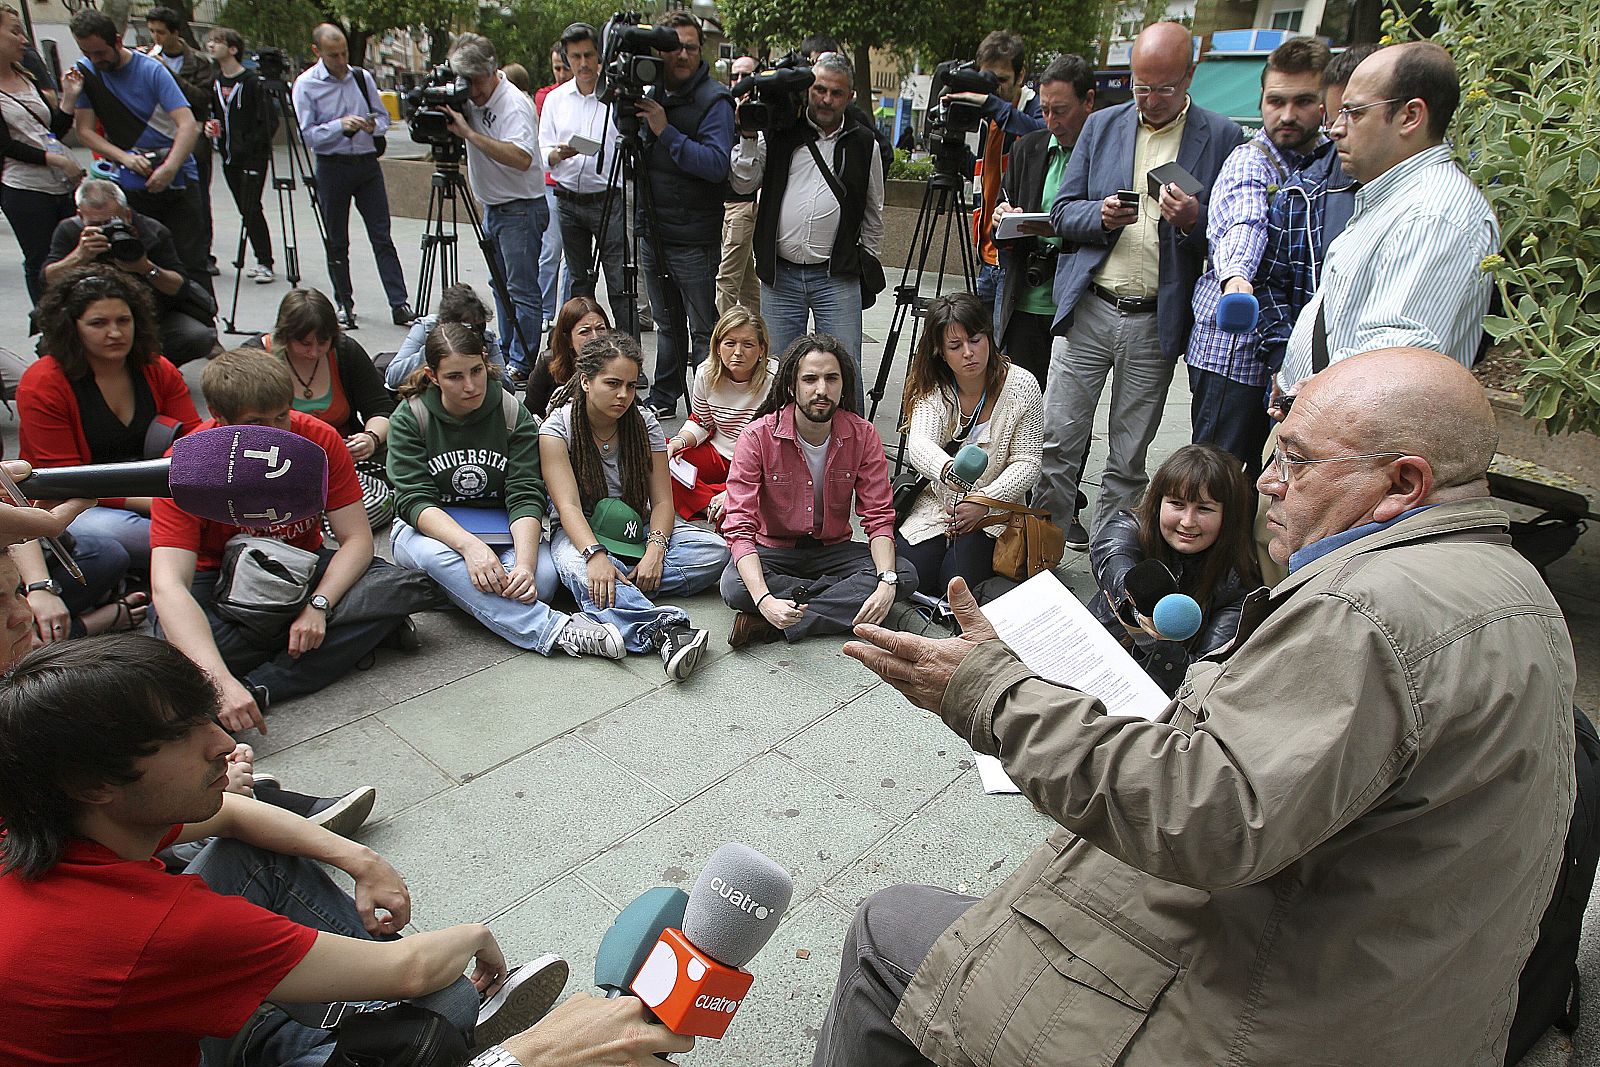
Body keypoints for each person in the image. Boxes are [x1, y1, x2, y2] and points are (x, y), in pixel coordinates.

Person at [825, 348, 1575, 1067]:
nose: (1271, 482)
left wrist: (994, 691)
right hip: (1385, 997)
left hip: (1259, 1019)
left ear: (1403, 482)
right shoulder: (1514, 585)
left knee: (886, 931)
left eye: (1298, 460)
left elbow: (1205, 815)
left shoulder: (1369, 612)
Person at [0, 633, 643, 1066]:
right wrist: (524, 1033)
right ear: (93, 782)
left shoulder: (53, 820)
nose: (222, 744)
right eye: (181, 736)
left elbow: (235, 815)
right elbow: (412, 970)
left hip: (147, 1021)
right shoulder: (155, 929)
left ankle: (333, 1023)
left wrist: (362, 859)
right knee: (445, 1006)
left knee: (262, 861)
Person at [151, 348, 439, 736]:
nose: (276, 432)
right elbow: (168, 585)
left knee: (408, 586)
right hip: (220, 583)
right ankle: (333, 638)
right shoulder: (188, 463)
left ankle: (261, 684)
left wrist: (319, 606)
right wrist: (218, 679)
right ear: (220, 419)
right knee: (172, 657)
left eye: (281, 416)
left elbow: (356, 539)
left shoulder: (318, 440)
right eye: (256, 423)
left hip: (300, 566)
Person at [1034, 21, 1243, 548]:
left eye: (1163, 88)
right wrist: (1100, 216)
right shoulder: (1101, 125)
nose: (1149, 98)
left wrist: (1193, 219)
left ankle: (1112, 557)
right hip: (1090, 308)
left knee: (1129, 456)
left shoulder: (1221, 136)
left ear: (1190, 75)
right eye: (1140, 85)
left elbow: (1235, 231)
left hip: (1155, 318)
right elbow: (1062, 212)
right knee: (1057, 441)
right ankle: (1041, 553)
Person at [1274, 42, 1498, 403]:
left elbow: (1390, 364)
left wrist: (1306, 398)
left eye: (1354, 112)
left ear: (1410, 116)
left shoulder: (1432, 215)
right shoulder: (1395, 198)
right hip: (1330, 423)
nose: (1336, 129)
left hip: (1354, 432)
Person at [388, 322, 625, 659]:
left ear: (486, 361)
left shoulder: (510, 411)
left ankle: (455, 591)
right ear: (432, 376)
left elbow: (525, 493)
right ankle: (557, 630)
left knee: (541, 583)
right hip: (432, 530)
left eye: (476, 371)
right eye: (455, 376)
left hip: (501, 525)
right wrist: (470, 547)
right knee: (435, 558)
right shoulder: (411, 416)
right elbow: (414, 499)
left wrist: (525, 566)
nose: (470, 386)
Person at [539, 333, 729, 681]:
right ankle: (666, 630)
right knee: (579, 566)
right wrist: (595, 556)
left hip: (636, 528)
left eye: (630, 385)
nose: (623, 395)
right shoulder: (557, 429)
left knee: (715, 552)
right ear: (586, 381)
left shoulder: (645, 423)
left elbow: (662, 501)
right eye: (612, 384)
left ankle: (608, 592)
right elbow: (568, 508)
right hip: (581, 535)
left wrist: (655, 550)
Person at [1184, 36, 1329, 474]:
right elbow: (1242, 224)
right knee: (1216, 476)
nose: (1287, 115)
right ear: (1261, 99)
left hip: (1288, 358)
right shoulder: (1251, 161)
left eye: (1303, 101)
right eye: (1276, 101)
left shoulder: (1327, 161)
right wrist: (1237, 281)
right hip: (1232, 352)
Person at [719, 332, 916, 647]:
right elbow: (740, 527)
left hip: (832, 550)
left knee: (902, 575)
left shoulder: (863, 435)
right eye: (810, 379)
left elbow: (878, 517)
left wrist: (886, 583)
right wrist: (764, 599)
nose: (821, 390)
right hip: (775, 551)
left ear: (843, 385)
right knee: (734, 585)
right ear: (791, 386)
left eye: (831, 379)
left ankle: (775, 623)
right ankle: (836, 598)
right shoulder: (757, 437)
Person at [20, 266, 203, 571]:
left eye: (123, 320)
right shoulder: (42, 383)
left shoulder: (157, 368)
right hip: (76, 502)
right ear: (71, 327)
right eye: (98, 323)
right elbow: (67, 479)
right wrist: (161, 504)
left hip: (158, 492)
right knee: (148, 537)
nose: (115, 333)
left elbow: (193, 440)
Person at [729, 51, 883, 410]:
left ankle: (851, 441)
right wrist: (748, 136)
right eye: (820, 90)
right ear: (809, 89)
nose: (827, 99)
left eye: (837, 93)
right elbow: (743, 183)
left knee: (845, 369)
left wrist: (867, 258)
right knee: (778, 370)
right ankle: (780, 438)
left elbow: (874, 211)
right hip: (780, 276)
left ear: (850, 97)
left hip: (836, 276)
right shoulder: (779, 132)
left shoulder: (864, 143)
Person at [894, 293, 1042, 600]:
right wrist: (948, 470)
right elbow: (919, 444)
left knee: (956, 583)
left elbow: (1027, 462)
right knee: (911, 574)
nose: (968, 353)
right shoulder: (932, 386)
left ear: (989, 337)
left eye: (975, 340)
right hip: (938, 504)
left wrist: (985, 500)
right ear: (939, 351)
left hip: (996, 510)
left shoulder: (1022, 385)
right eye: (955, 346)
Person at [1088, 443, 1258, 695]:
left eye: (1204, 508)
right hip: (1092, 659)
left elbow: (1200, 677)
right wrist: (1136, 608)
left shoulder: (1236, 584)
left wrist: (1153, 640)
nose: (1187, 522)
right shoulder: (1130, 527)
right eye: (1177, 504)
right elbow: (1112, 556)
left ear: (1228, 515)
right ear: (1158, 502)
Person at [1255, 44, 1379, 381]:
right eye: (1336, 115)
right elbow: (1268, 283)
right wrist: (1285, 361)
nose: (1338, 129)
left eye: (1355, 113)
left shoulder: (1427, 202)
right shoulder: (1302, 190)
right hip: (1299, 387)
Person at [635, 11, 735, 419]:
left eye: (691, 48)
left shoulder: (715, 100)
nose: (682, 55)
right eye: (674, 47)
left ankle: (709, 406)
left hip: (693, 238)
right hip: (653, 230)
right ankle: (664, 396)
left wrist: (666, 130)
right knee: (666, 323)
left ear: (701, 50)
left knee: (703, 328)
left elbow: (715, 164)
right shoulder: (649, 92)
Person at [68, 9, 209, 292]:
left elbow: (187, 124)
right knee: (134, 258)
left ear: (118, 41)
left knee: (191, 260)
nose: (95, 60)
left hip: (177, 177)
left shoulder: (151, 69)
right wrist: (125, 158)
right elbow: (84, 131)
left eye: (100, 52)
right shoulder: (86, 72)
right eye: (87, 53)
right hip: (130, 178)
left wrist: (169, 167)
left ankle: (200, 313)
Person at [246, 287, 398, 531]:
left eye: (323, 342)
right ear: (285, 336)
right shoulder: (254, 358)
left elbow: (381, 408)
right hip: (278, 458)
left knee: (401, 451)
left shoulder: (345, 351)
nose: (314, 352)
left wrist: (370, 438)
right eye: (304, 343)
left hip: (343, 452)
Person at [292, 23, 411, 328]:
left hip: (367, 164)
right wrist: (339, 125)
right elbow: (307, 135)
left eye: (344, 52)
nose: (341, 60)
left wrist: (373, 126)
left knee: (382, 236)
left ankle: (399, 303)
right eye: (334, 55)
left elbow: (383, 117)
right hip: (332, 166)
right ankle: (344, 303)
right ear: (317, 52)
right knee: (336, 240)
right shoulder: (306, 84)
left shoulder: (361, 77)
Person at [441, 34, 546, 378]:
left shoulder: (513, 103)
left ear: (492, 69)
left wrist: (470, 135)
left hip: (520, 208)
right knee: (500, 288)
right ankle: (508, 352)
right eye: (465, 80)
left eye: (476, 80)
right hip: (494, 207)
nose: (472, 90)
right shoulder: (469, 97)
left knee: (520, 290)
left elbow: (521, 157)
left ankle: (523, 362)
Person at [991, 53, 1096, 382]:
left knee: (1065, 406)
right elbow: (1001, 225)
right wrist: (1001, 219)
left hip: (1079, 307)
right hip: (1025, 299)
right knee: (1020, 396)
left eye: (1060, 111)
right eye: (1045, 110)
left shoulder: (1103, 153)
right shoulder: (1027, 148)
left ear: (1088, 101)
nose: (1051, 121)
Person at [44, 177, 219, 365]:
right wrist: (80, 256)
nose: (105, 229)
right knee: (48, 346)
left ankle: (158, 369)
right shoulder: (69, 231)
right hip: (91, 318)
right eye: (96, 224)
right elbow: (47, 281)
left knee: (197, 337)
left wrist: (145, 268)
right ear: (80, 216)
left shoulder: (152, 231)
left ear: (127, 214)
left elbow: (180, 287)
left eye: (112, 222)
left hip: (150, 314)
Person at [948, 30, 1045, 325]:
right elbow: (984, 174)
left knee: (1003, 344)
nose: (994, 89)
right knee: (979, 341)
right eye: (987, 79)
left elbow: (1042, 137)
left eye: (1002, 79)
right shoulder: (986, 118)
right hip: (986, 255)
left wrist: (990, 104)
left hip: (1013, 257)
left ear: (1020, 75)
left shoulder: (1033, 109)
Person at [540, 22, 629, 333]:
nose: (583, 63)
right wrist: (558, 154)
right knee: (579, 283)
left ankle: (627, 349)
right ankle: (579, 351)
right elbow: (542, 150)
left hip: (608, 199)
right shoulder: (556, 100)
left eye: (588, 55)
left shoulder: (616, 97)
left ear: (599, 56)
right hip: (567, 199)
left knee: (619, 281)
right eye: (575, 57)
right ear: (567, 58)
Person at [0, 3, 83, 305]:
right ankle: (47, 322)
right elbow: (7, 146)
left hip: (61, 185)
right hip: (25, 189)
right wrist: (58, 160)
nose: (23, 40)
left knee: (74, 256)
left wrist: (69, 99)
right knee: (41, 261)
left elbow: (51, 131)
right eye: (15, 32)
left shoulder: (27, 76)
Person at [666, 305, 773, 523]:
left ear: (762, 349)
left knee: (778, 483)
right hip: (719, 452)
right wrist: (678, 442)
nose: (738, 352)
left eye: (748, 344)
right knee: (658, 455)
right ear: (717, 347)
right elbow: (702, 422)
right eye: (730, 343)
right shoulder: (705, 372)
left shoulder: (775, 379)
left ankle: (726, 499)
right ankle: (715, 504)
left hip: (759, 462)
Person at [144, 7, 213, 273]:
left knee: (197, 196)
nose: (156, 37)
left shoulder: (198, 62)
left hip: (192, 134)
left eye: (161, 32)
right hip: (159, 136)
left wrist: (166, 74)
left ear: (175, 32)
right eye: (152, 31)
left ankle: (203, 253)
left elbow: (201, 98)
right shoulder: (146, 59)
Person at [206, 26, 277, 284]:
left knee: (251, 207)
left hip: (252, 157)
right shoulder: (215, 81)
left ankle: (265, 261)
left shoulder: (252, 82)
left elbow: (269, 121)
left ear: (233, 49)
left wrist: (251, 146)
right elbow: (214, 113)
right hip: (228, 156)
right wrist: (210, 127)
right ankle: (262, 259)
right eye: (210, 41)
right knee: (244, 208)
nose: (211, 46)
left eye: (217, 41)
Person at [386, 281, 508, 388]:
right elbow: (392, 377)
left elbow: (508, 388)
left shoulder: (486, 338)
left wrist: (487, 367)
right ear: (443, 323)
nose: (473, 333)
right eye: (466, 327)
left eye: (479, 326)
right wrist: (433, 351)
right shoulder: (425, 328)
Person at [717, 52, 761, 316]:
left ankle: (720, 333)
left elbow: (752, 173)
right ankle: (757, 330)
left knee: (727, 279)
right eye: (736, 76)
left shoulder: (762, 114)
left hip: (743, 207)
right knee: (747, 282)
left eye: (747, 76)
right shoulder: (722, 109)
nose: (740, 81)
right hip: (722, 206)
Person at [534, 39, 571, 331]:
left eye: (564, 68)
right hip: (551, 182)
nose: (560, 74)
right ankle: (545, 309)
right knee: (550, 250)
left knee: (573, 260)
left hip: (577, 184)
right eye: (556, 68)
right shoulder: (547, 97)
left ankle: (567, 312)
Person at [524, 293, 608, 417]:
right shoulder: (547, 363)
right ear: (568, 339)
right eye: (585, 332)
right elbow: (530, 414)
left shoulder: (619, 361)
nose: (595, 337)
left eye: (600, 329)